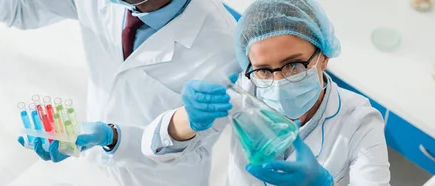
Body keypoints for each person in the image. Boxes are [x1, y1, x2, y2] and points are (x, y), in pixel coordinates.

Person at [0, 0, 239, 185]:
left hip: (162, 179)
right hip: (100, 167)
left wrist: (112, 136)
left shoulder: (225, 48)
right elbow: (20, 8)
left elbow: (192, 151)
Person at [141, 0, 392, 185]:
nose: (278, 81)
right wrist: (187, 119)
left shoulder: (360, 123)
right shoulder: (245, 93)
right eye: (263, 70)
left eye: (294, 65)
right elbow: (151, 149)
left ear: (324, 57)